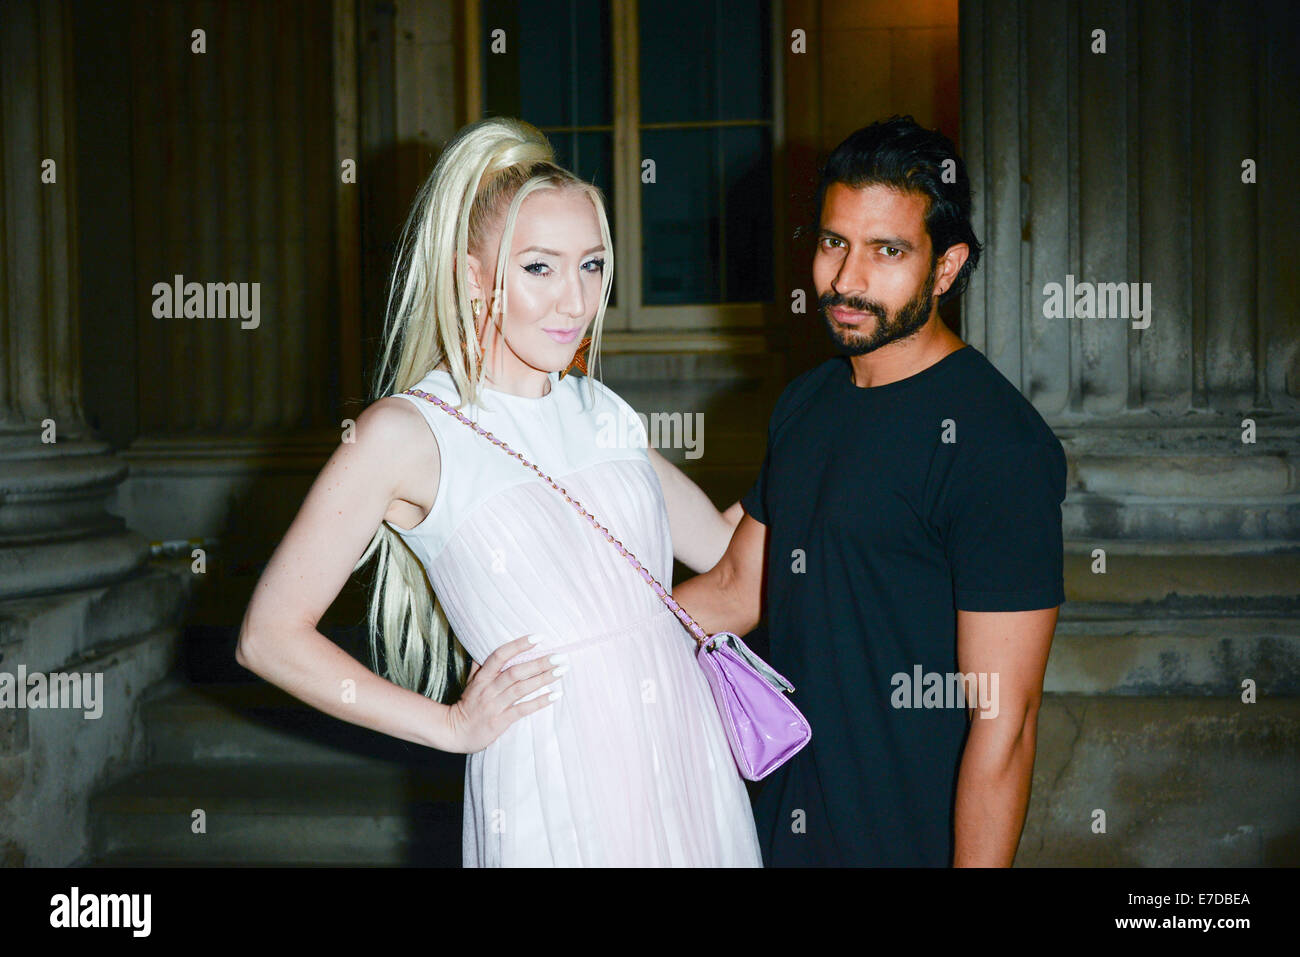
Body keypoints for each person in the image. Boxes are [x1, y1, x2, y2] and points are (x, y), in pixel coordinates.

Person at [235, 116, 762, 867]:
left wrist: (814, 445)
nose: (576, 302)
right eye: (540, 268)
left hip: (682, 740)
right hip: (552, 773)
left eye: (591, 266)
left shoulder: (600, 409)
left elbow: (722, 546)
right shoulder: (405, 433)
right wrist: (450, 726)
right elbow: (268, 635)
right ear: (475, 275)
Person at [674, 115, 1067, 866]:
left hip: (903, 838)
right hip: (780, 820)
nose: (847, 280)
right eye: (832, 243)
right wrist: (577, 638)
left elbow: (1005, 721)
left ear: (947, 268)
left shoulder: (997, 445)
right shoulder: (807, 401)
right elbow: (734, 585)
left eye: (887, 251)